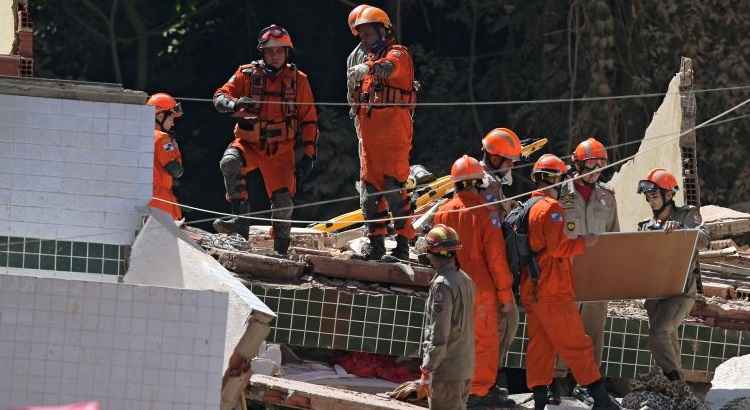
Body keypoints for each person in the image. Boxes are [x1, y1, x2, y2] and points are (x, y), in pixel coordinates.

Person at [521, 154, 618, 410]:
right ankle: (600, 398)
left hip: (532, 287)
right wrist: (585, 241)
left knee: (540, 345)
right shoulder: (551, 208)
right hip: (552, 287)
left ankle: (540, 399)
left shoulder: (528, 205)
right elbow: (558, 248)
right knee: (577, 342)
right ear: (557, 178)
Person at [212, 24, 319, 255]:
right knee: (229, 162)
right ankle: (239, 225)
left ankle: (281, 249)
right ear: (262, 52)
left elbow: (309, 119)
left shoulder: (299, 80)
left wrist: (309, 153)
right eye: (270, 50)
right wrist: (234, 103)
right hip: (248, 143)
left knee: (283, 204)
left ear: (287, 52)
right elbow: (220, 96)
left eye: (280, 50)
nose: (275, 55)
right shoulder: (246, 74)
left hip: (280, 150)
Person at [433, 155, 516, 407]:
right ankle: (478, 393)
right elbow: (496, 259)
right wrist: (505, 295)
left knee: (453, 340)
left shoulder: (442, 212)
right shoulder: (485, 213)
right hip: (480, 290)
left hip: (449, 286)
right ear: (478, 182)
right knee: (483, 342)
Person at [348, 6, 417, 260]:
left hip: (393, 137)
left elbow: (388, 68)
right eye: (361, 36)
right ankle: (375, 243)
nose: (364, 40)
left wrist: (367, 69)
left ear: (382, 31)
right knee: (369, 194)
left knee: (394, 189)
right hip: (370, 142)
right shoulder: (365, 65)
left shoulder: (399, 54)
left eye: (367, 34)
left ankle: (403, 244)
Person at [555, 137, 619, 395]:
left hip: (595, 276)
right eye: (592, 163)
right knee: (564, 328)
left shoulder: (608, 198)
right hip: (565, 273)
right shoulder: (560, 192)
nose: (596, 169)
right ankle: (557, 381)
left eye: (601, 164)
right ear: (578, 164)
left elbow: (615, 236)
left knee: (593, 331)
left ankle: (589, 383)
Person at [637, 168, 709, 381]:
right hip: (655, 294)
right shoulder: (645, 227)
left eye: (655, 196)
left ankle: (673, 380)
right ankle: (676, 385)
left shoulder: (687, 215)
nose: (651, 201)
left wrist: (681, 230)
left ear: (669, 195)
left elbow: (705, 239)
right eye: (648, 197)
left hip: (680, 291)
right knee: (663, 336)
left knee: (659, 332)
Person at [477, 127, 523, 384]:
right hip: (487, 269)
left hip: (473, 265)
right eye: (509, 162)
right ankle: (486, 385)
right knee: (505, 324)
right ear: (497, 159)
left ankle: (483, 383)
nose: (511, 168)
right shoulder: (489, 185)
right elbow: (494, 233)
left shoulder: (474, 176)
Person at [415, 224, 475, 410]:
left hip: (446, 371)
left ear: (434, 253)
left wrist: (428, 368)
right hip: (463, 367)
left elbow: (439, 333)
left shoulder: (442, 285)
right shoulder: (464, 279)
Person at [146, 92, 184, 221]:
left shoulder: (142, 135)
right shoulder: (162, 138)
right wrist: (176, 150)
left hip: (147, 196)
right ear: (160, 115)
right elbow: (176, 170)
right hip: (160, 200)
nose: (173, 123)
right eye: (171, 118)